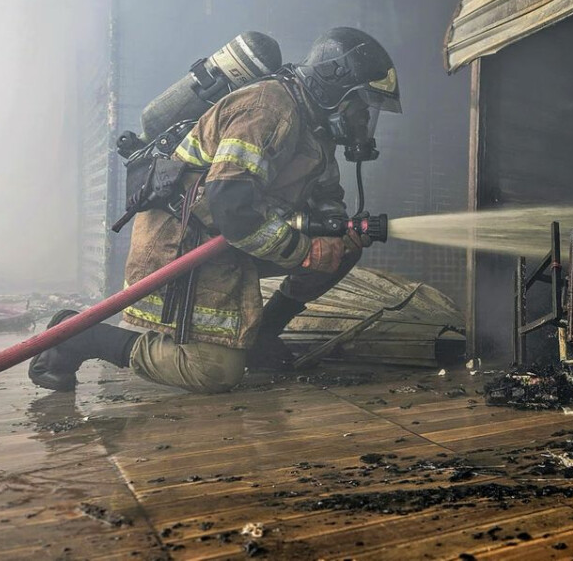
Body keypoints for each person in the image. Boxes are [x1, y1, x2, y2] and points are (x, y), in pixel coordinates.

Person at [28, 27, 401, 393]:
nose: (363, 122)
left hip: (233, 238)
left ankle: (262, 337)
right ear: (335, 86)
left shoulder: (315, 130)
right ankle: (80, 336)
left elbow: (326, 191)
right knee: (214, 371)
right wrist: (305, 250)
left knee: (343, 249)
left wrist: (335, 229)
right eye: (362, 107)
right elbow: (231, 204)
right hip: (187, 242)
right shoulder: (268, 109)